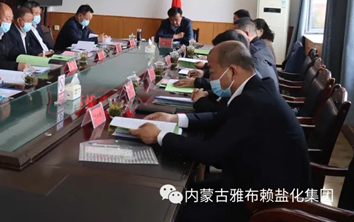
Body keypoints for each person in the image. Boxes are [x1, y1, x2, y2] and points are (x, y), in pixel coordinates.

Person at [130, 41, 311, 222]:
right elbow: (220, 118)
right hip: (256, 183)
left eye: (213, 72)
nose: (210, 79)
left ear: (232, 71)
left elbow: (211, 152)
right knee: (181, 193)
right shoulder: (257, 89)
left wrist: (159, 136)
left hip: (270, 203)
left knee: (175, 208)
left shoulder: (253, 101)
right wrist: (174, 119)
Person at [185, 30, 251, 113]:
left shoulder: (249, 97)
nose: (210, 78)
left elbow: (223, 114)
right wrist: (208, 93)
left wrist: (201, 101)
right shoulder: (242, 75)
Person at [234, 17, 279, 90]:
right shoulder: (261, 45)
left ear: (246, 34)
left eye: (236, 35)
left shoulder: (253, 53)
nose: (234, 38)